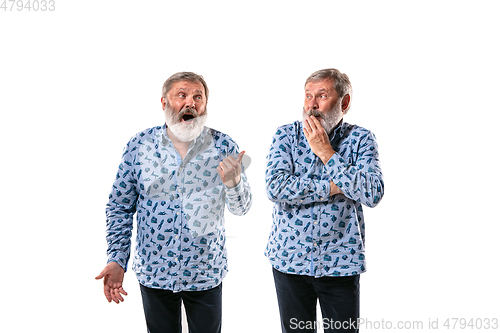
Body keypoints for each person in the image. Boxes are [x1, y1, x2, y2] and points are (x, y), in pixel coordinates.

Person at [96, 72, 252, 333]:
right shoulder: (140, 146)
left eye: (197, 97)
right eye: (182, 95)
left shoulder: (224, 145)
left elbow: (242, 208)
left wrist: (234, 182)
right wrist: (117, 258)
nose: (190, 103)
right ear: (164, 103)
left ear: (204, 106)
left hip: (205, 273)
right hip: (155, 273)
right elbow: (120, 206)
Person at [265, 68, 384, 332]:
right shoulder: (286, 136)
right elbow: (276, 188)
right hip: (289, 262)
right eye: (308, 96)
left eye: (322, 95)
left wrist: (327, 153)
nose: (312, 105)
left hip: (341, 264)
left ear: (345, 103)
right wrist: (333, 187)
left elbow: (373, 192)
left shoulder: (361, 140)